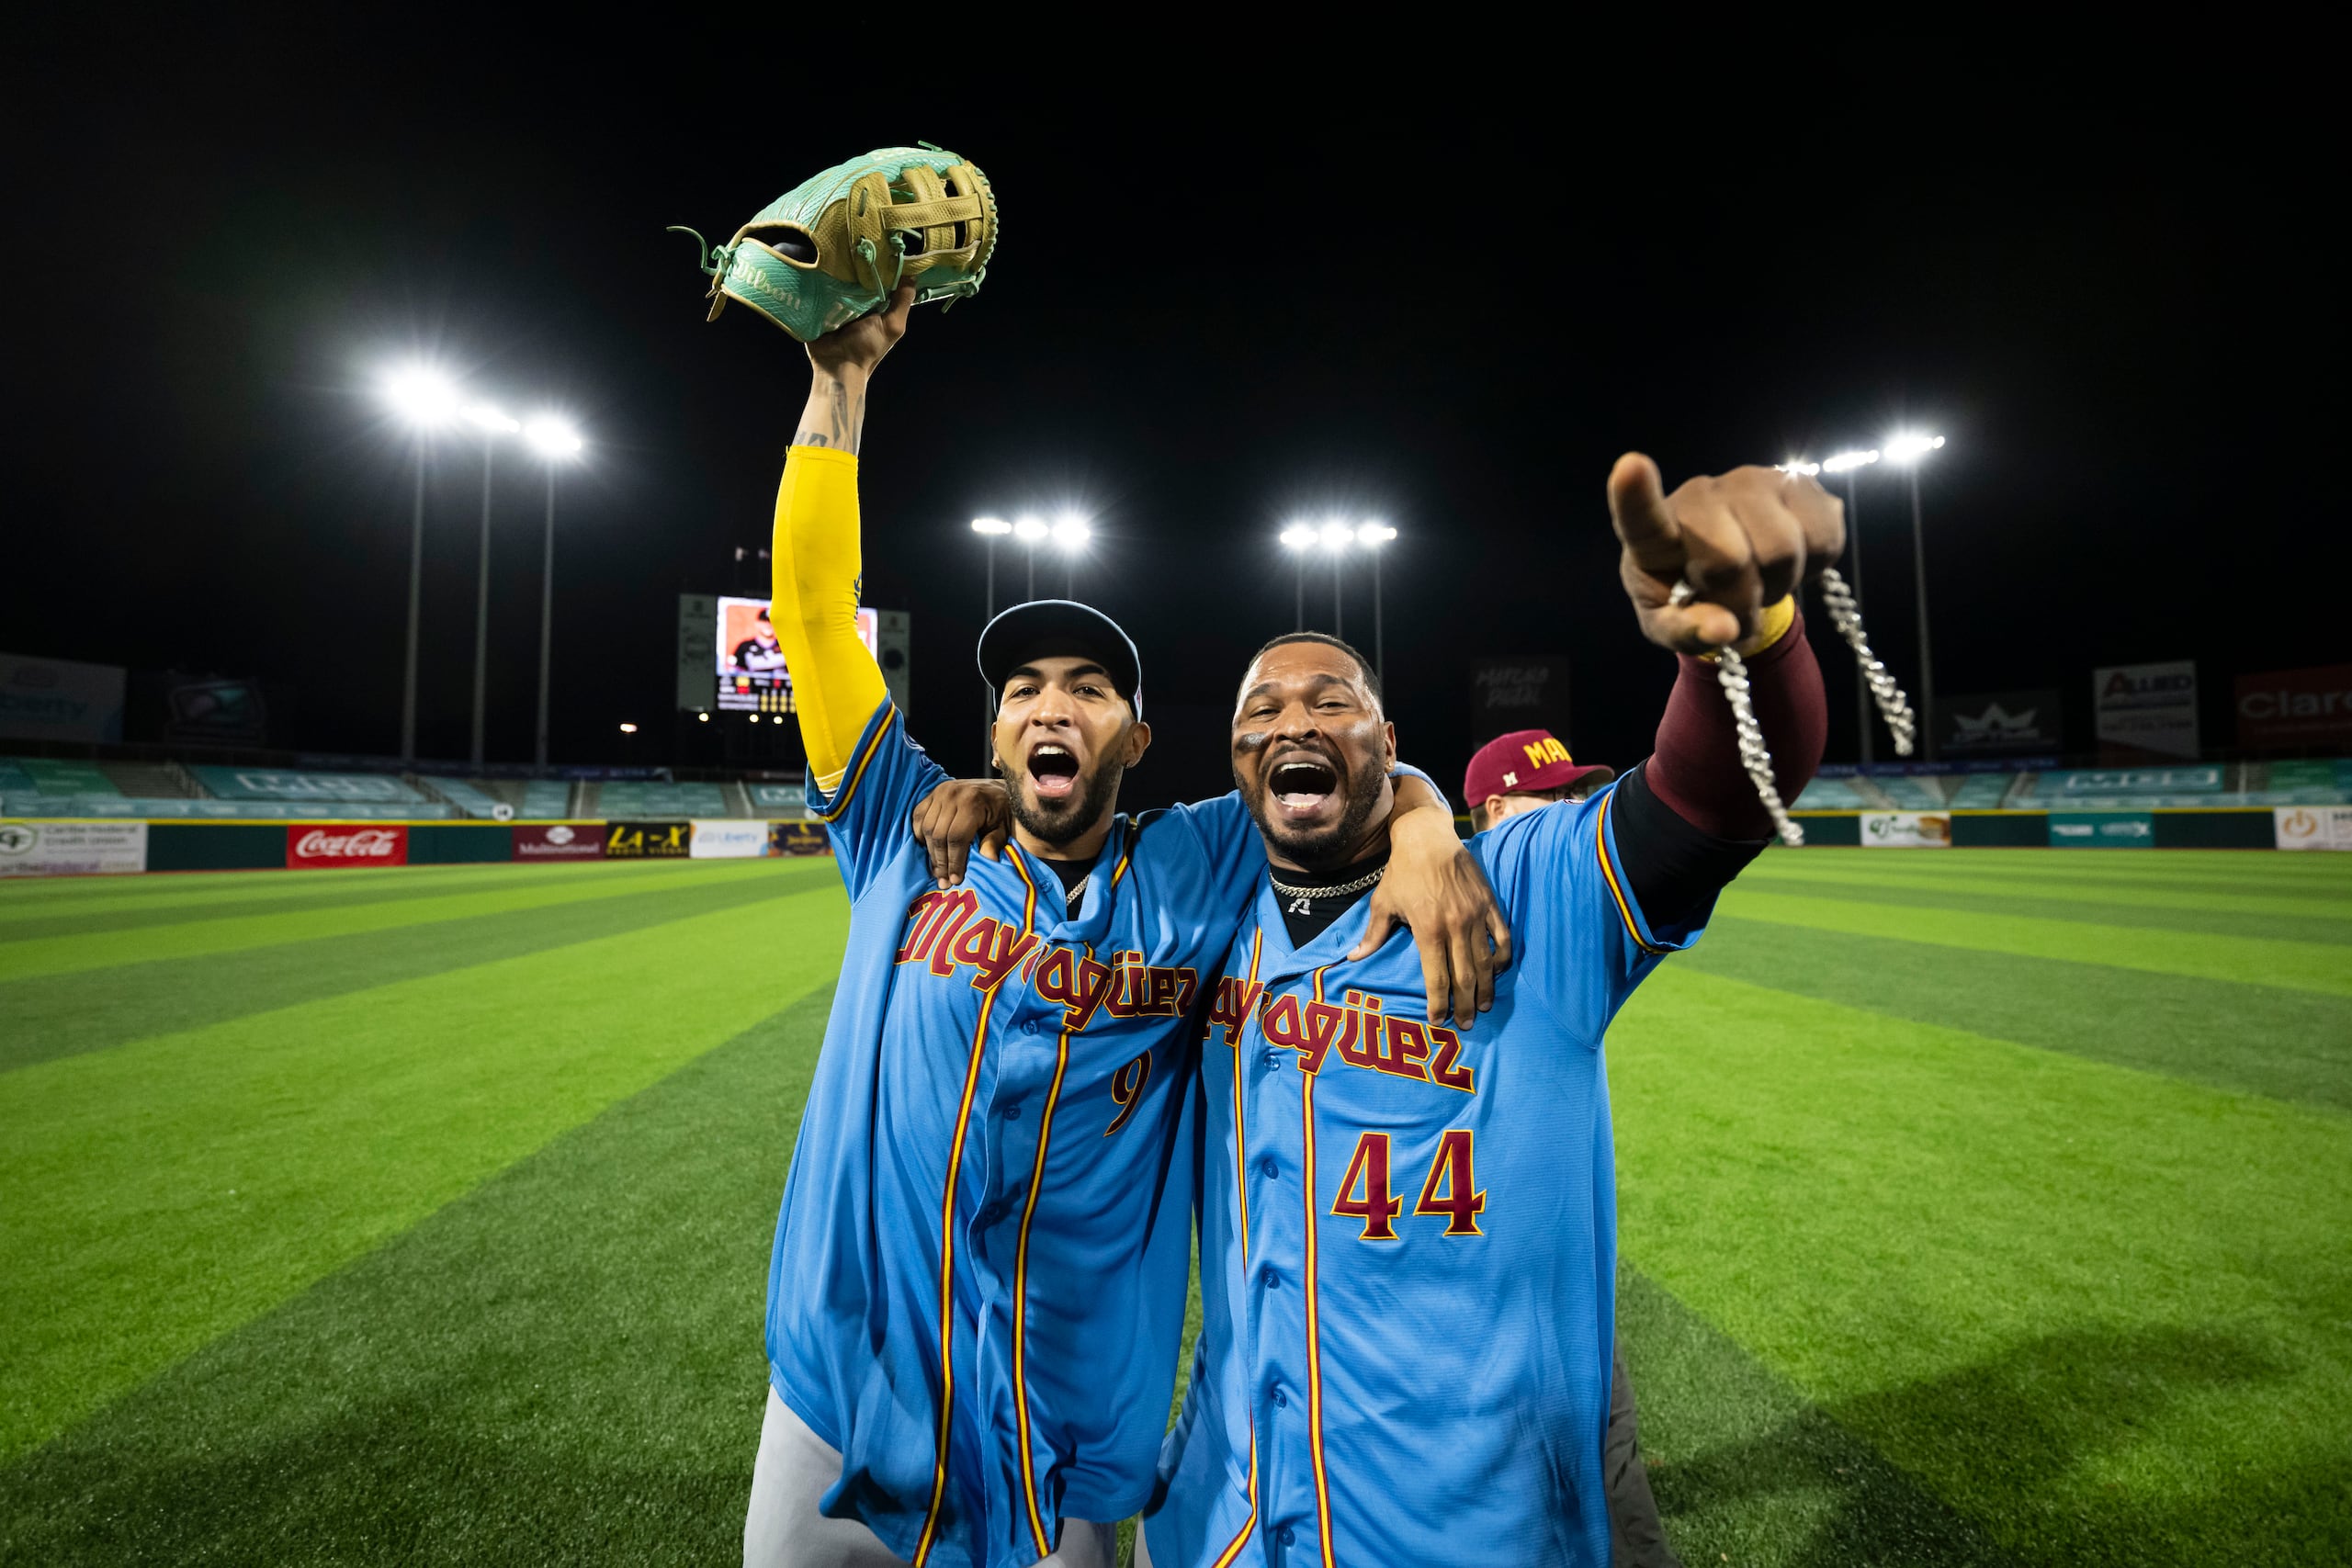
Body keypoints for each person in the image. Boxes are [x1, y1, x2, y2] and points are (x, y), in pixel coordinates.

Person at [743, 282, 1508, 1568]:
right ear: (992, 735)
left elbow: (1325, 763)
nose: (1054, 705)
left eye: (1089, 688)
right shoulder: (901, 828)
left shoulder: (1197, 862)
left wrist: (1429, 817)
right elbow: (815, 618)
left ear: (1136, 739)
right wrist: (840, 384)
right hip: (850, 1395)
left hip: (1073, 1436)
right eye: (1026, 689)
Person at [1141, 456, 1833, 1568]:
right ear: (1235, 755)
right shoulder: (1203, 905)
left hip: (1479, 1528)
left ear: (1387, 736)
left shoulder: (1527, 889)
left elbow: (1710, 802)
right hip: (1224, 1517)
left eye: (1333, 701)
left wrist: (1742, 645)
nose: (1292, 720)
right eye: (1261, 707)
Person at [1462, 727, 1676, 1568]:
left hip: (1545, 1280)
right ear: (1495, 809)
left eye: (1576, 794)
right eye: (1551, 796)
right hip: (1479, 1279)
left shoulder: (1563, 903)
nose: (1573, 809)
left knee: (1596, 1458)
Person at [1463, 728, 1615, 833]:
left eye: (1576, 792)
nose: (1577, 802)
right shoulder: (1463, 878)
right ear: (1499, 809)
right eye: (1560, 793)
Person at [736, 605, 790, 673]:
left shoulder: (786, 647)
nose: (768, 625)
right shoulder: (744, 646)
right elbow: (736, 671)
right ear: (757, 623)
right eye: (764, 621)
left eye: (771, 621)